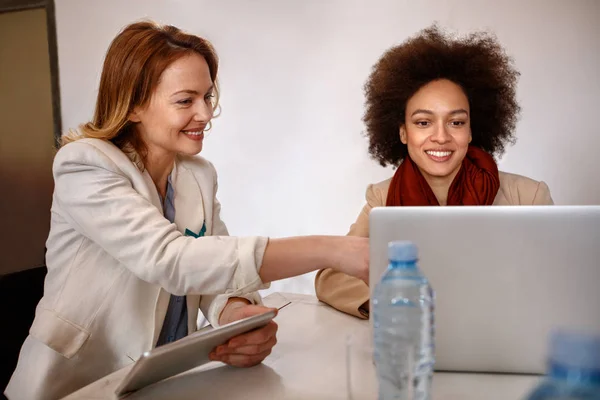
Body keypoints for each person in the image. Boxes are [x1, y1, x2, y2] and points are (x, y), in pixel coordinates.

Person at [5, 21, 368, 400]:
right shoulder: (85, 165)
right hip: (77, 387)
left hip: (162, 382)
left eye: (208, 97)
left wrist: (236, 315)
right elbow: (171, 260)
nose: (206, 114)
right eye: (185, 100)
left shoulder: (198, 176)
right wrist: (332, 250)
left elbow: (214, 271)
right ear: (133, 106)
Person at [315, 25, 553, 319]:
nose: (441, 137)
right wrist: (403, 302)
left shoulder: (528, 198)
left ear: (471, 130)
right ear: (403, 132)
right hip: (411, 347)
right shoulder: (382, 198)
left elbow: (555, 284)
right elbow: (331, 278)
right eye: (423, 122)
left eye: (456, 122)